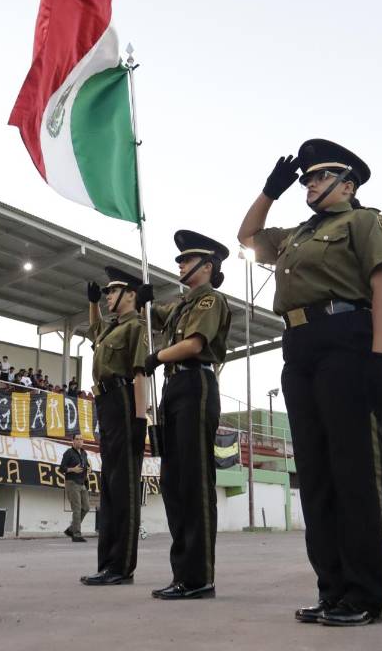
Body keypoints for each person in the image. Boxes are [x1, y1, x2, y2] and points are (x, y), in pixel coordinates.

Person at [238, 139, 382, 627]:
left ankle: (365, 594)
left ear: (347, 184)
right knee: (315, 475)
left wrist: (378, 358)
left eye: (318, 177)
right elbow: (247, 236)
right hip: (299, 344)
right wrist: (270, 192)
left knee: (352, 472)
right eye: (305, 178)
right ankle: (332, 590)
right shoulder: (297, 234)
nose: (308, 184)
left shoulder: (365, 222)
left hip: (345, 338)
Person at [140, 230, 233, 600]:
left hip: (196, 384)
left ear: (206, 266)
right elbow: (153, 315)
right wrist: (144, 299)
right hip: (173, 388)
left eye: (185, 260)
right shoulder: (181, 305)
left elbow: (194, 345)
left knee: (194, 483)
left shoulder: (211, 301)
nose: (178, 264)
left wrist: (157, 357)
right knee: (175, 482)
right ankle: (183, 575)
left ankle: (199, 578)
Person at [80, 266, 150, 586]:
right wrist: (92, 303)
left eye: (112, 292)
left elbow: (140, 374)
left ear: (130, 295)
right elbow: (95, 329)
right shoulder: (112, 328)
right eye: (106, 292)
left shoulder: (136, 326)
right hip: (105, 403)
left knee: (123, 486)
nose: (108, 296)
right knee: (109, 486)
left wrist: (139, 419)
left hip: (123, 400)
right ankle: (107, 562)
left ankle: (122, 566)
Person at [60, 435, 91, 542]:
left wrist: (88, 468)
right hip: (72, 483)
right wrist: (72, 469)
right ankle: (76, 534)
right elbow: (61, 468)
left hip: (82, 483)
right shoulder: (69, 452)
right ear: (72, 441)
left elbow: (85, 466)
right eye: (77, 439)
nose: (79, 441)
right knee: (77, 509)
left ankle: (71, 529)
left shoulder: (84, 453)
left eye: (81, 439)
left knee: (86, 508)